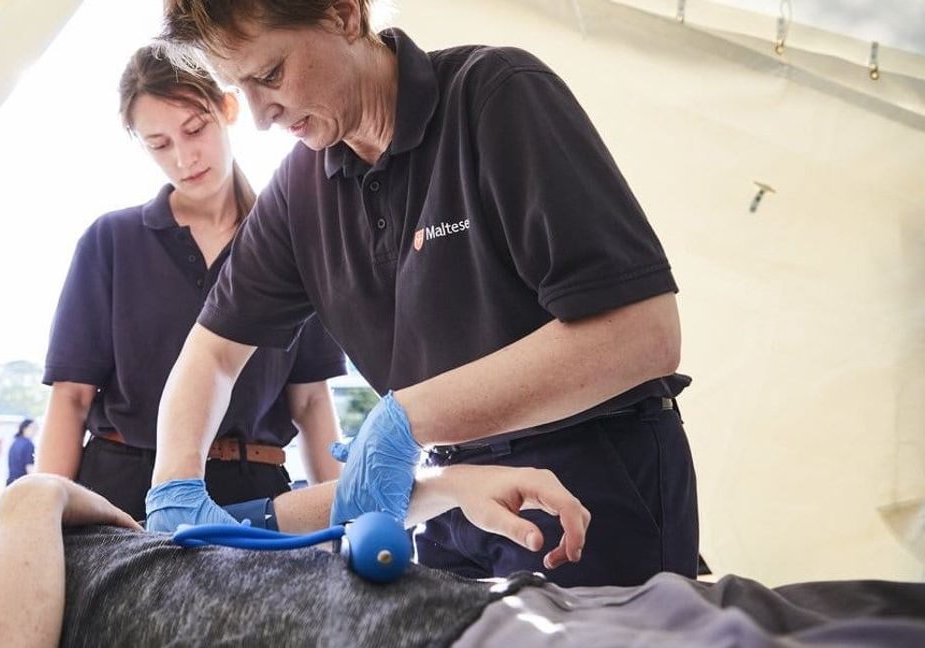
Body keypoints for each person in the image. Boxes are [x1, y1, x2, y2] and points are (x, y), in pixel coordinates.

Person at [145, 0, 697, 587]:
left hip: (588, 482)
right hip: (449, 498)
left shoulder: (495, 98)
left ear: (343, 14)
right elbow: (212, 352)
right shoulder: (300, 192)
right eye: (240, 86)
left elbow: (645, 334)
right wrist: (174, 484)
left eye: (271, 74)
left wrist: (407, 419)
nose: (259, 115)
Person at [0, 474, 925, 648]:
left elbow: (234, 536)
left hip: (486, 602)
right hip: (431, 644)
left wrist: (430, 481)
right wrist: (34, 497)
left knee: (839, 609)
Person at [37, 45, 346, 521]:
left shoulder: (293, 241)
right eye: (159, 144)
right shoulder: (110, 242)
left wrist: (347, 518)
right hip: (121, 494)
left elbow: (310, 402)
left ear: (227, 107)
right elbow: (71, 398)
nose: (183, 157)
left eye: (195, 129)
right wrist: (46, 519)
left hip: (256, 494)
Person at [5, 418, 38, 485]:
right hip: (22, 484)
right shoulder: (28, 444)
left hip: (11, 483)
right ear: (24, 428)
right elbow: (29, 468)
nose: (35, 431)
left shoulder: (15, 443)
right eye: (33, 428)